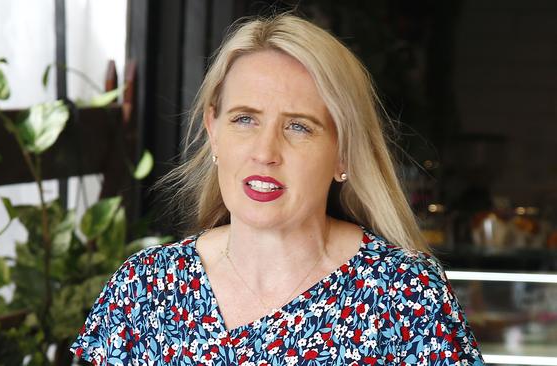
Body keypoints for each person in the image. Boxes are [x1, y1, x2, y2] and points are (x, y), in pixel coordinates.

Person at [71, 13, 484, 365]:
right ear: (214, 133)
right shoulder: (144, 289)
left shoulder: (407, 298)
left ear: (343, 154)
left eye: (298, 126)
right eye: (245, 119)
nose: (265, 152)